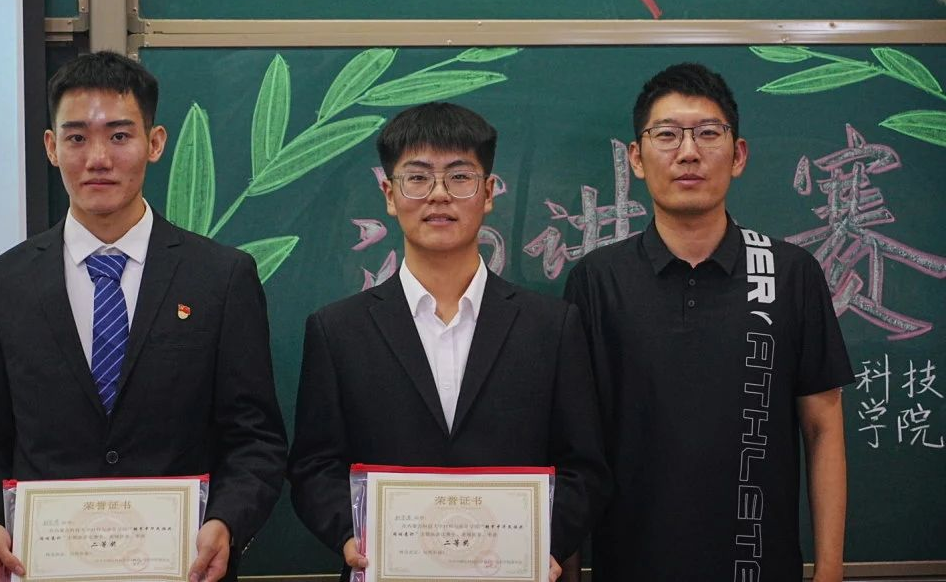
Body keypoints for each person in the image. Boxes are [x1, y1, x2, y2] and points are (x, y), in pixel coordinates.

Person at [0, 51, 288, 582]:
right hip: (43, 568)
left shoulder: (221, 278)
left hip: (184, 569)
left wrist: (227, 522)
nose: (98, 158)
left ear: (155, 143)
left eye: (120, 136)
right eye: (77, 138)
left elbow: (254, 439)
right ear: (51, 147)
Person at [288, 102, 610, 581]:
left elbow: (584, 468)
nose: (439, 195)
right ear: (389, 194)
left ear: (488, 192)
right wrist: (349, 535)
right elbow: (315, 465)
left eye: (460, 177)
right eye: (417, 178)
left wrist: (547, 542)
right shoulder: (337, 330)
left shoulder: (552, 326)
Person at [563, 63, 853, 581]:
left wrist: (829, 571)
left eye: (708, 133)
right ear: (636, 158)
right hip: (631, 566)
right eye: (666, 135)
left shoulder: (790, 273)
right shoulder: (596, 280)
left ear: (737, 155)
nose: (688, 153)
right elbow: (572, 446)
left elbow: (823, 428)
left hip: (758, 568)